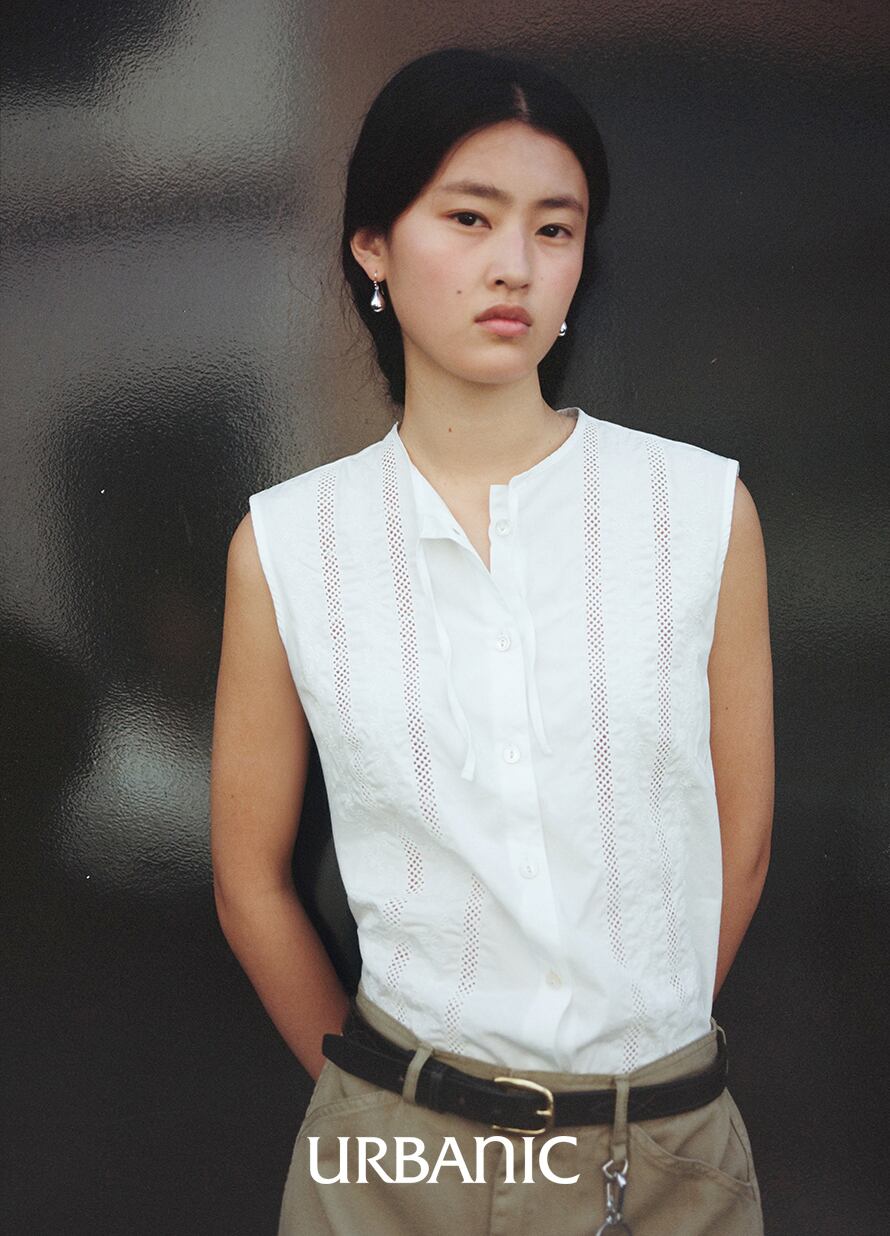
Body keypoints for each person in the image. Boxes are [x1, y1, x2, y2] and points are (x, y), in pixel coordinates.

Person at [210, 46, 773, 1236]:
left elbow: (741, 838)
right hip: (392, 1169)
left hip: (665, 1161)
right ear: (373, 244)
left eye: (553, 229)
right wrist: (380, 1101)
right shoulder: (289, 546)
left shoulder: (695, 510)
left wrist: (625, 1066)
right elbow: (249, 878)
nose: (513, 263)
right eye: (468, 217)